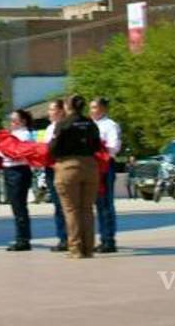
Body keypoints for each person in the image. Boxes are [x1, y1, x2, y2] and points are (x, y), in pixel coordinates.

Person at [50, 95, 102, 259]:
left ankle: (76, 249)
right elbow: (96, 145)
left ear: (67, 106)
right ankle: (88, 248)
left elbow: (53, 148)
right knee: (87, 209)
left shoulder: (63, 124)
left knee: (71, 210)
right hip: (90, 166)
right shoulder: (90, 123)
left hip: (68, 166)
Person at [1, 109, 35, 252]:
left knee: (19, 206)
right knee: (16, 206)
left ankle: (23, 239)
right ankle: (21, 237)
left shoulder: (25, 134)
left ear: (22, 121)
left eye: (14, 120)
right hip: (9, 170)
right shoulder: (12, 135)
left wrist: (4, 149)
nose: (12, 123)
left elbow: (18, 152)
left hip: (19, 170)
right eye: (11, 120)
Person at [90, 97, 121, 253]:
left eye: (94, 107)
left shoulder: (110, 125)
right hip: (93, 166)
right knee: (98, 204)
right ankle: (103, 238)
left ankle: (109, 240)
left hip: (106, 165)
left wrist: (99, 147)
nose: (91, 111)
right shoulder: (91, 125)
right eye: (90, 108)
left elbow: (114, 147)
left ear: (103, 109)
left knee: (106, 204)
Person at [43, 99, 68, 252]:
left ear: (60, 111)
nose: (49, 113)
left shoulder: (65, 127)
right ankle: (62, 237)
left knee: (65, 204)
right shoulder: (49, 128)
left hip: (61, 167)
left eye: (51, 110)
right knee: (57, 205)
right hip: (50, 168)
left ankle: (68, 237)